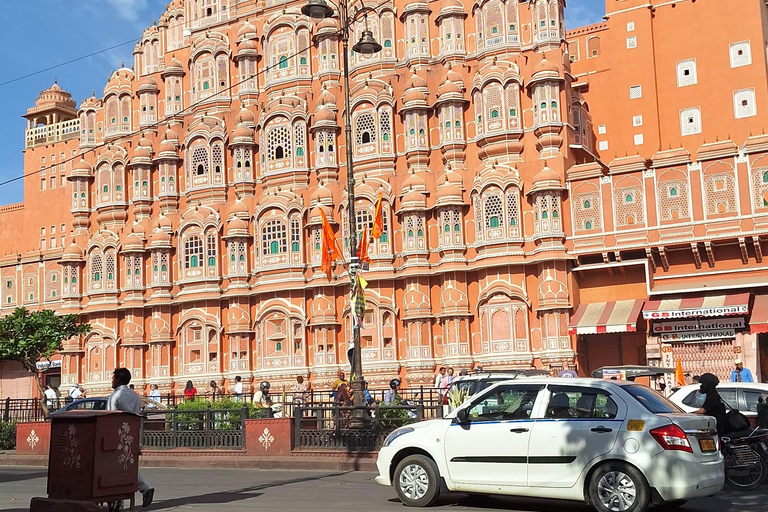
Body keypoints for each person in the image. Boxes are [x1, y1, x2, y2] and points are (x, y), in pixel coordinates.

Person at [107, 368, 154, 508]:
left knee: (115, 469)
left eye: (113, 378)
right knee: (129, 465)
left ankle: (117, 502)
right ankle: (145, 488)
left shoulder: (115, 396)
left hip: (117, 437)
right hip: (132, 435)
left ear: (118, 380)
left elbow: (110, 419)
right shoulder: (135, 396)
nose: (112, 381)